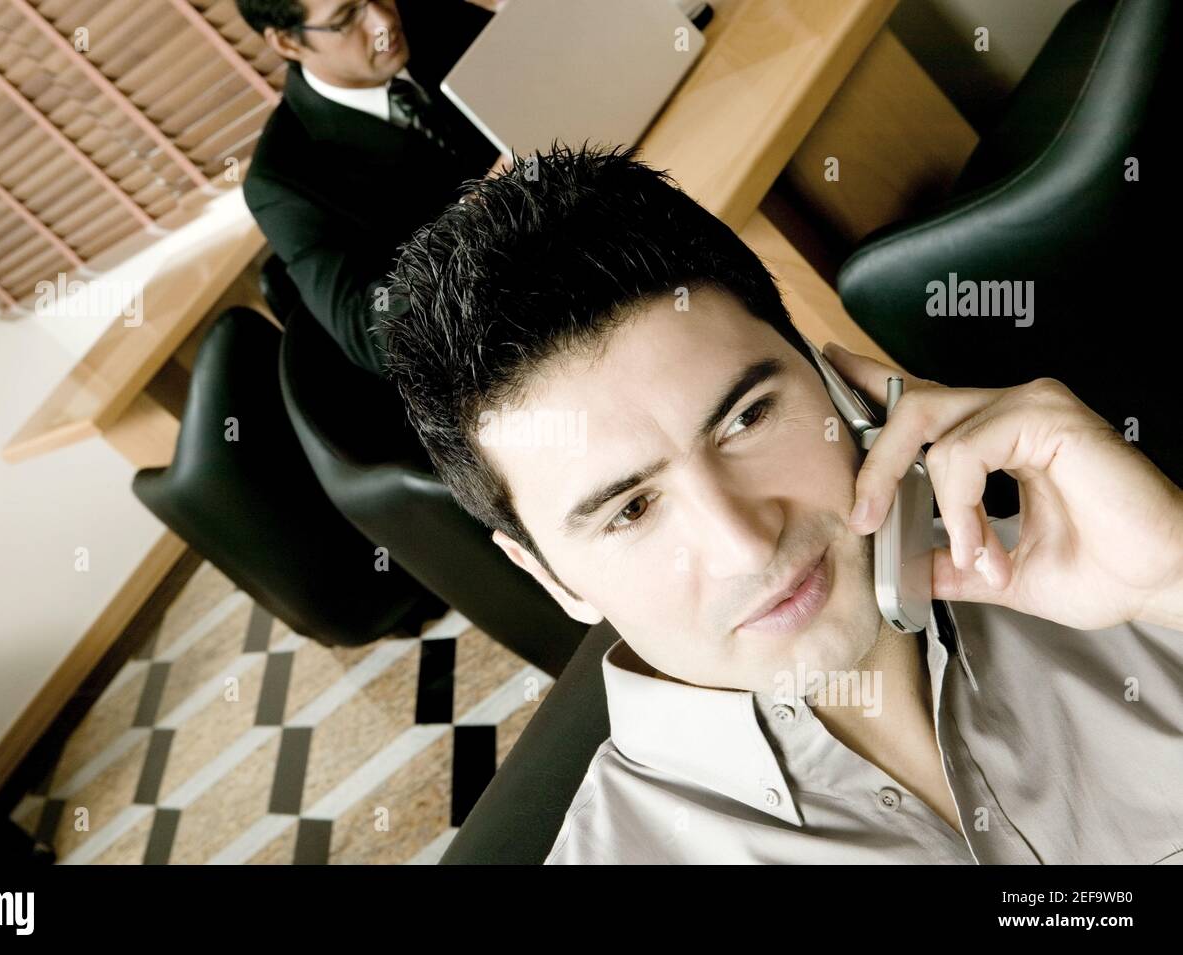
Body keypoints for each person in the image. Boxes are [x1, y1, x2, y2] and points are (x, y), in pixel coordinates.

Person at [379, 142, 1183, 863]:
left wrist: (1171, 578)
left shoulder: (1107, 561)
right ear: (552, 577)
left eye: (748, 418)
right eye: (630, 510)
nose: (747, 543)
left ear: (838, 384)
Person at [236, 0, 507, 374]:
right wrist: (487, 201)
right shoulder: (282, 179)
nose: (383, 21)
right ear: (288, 43)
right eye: (347, 16)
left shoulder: (433, 17)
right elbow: (372, 332)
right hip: (496, 332)